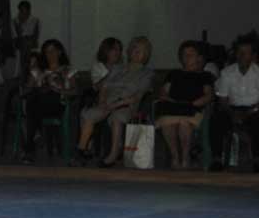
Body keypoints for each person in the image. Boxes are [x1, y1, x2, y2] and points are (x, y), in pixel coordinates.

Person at [75, 36, 154, 167]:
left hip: (127, 105)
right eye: (134, 48)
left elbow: (138, 96)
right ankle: (81, 150)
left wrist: (116, 104)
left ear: (145, 54)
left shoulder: (147, 73)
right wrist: (102, 101)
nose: (135, 52)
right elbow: (104, 87)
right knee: (89, 113)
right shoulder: (117, 68)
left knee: (117, 116)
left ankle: (113, 155)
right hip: (108, 103)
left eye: (140, 50)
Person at [155, 40, 214, 169]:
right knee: (167, 123)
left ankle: (185, 156)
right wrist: (170, 100)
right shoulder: (174, 74)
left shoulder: (205, 75)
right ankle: (175, 156)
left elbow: (208, 95)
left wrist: (193, 104)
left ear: (198, 57)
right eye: (184, 54)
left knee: (184, 124)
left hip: (192, 108)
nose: (187, 57)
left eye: (190, 54)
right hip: (173, 107)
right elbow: (163, 92)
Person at [20, 39, 77, 164]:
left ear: (60, 52)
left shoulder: (67, 70)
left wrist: (59, 89)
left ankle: (30, 149)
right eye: (47, 52)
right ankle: (30, 150)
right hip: (39, 105)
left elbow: (74, 91)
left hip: (58, 104)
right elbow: (25, 91)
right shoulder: (38, 70)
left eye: (53, 51)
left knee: (40, 99)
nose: (50, 55)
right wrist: (36, 79)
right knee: (34, 100)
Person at [210, 37, 259, 172]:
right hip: (232, 109)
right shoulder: (227, 73)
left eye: (246, 52)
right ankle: (217, 159)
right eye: (239, 52)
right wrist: (233, 114)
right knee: (216, 119)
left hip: (254, 110)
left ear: (254, 55)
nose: (242, 55)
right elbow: (223, 100)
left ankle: (257, 160)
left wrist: (250, 112)